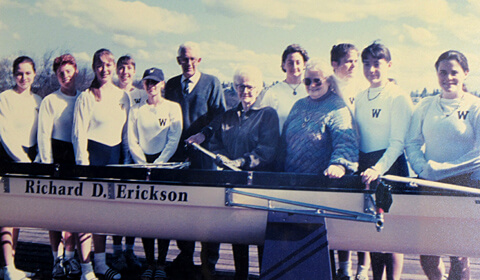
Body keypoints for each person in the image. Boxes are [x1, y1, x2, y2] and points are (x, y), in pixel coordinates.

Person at [406, 50, 480, 280]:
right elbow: (412, 142)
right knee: (428, 254)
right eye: (442, 72)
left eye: (454, 72)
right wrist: (423, 169)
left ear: (465, 73)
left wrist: (442, 169)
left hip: (462, 186)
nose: (448, 77)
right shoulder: (426, 106)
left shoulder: (475, 106)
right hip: (430, 183)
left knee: (459, 254)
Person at [210, 65, 280, 280]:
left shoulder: (268, 114)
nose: (245, 91)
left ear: (259, 88)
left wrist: (239, 162)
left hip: (258, 184)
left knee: (260, 237)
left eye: (249, 86)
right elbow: (215, 143)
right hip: (233, 183)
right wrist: (221, 157)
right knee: (237, 235)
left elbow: (267, 151)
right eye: (240, 86)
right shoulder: (228, 116)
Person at [164, 41, 226, 278]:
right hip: (179, 156)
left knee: (208, 209)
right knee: (182, 208)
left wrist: (203, 135)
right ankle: (185, 257)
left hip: (205, 157)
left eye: (192, 59)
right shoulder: (170, 85)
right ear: (178, 60)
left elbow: (220, 116)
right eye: (183, 58)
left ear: (199, 60)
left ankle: (208, 262)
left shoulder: (212, 83)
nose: (188, 63)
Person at [355, 42, 413, 280]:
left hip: (389, 169)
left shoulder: (398, 97)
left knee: (390, 236)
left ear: (389, 65)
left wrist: (377, 169)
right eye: (366, 64)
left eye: (377, 64)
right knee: (373, 234)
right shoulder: (360, 97)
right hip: (365, 168)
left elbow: (398, 142)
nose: (371, 70)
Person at [72, 48, 130, 280]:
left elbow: (126, 133)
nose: (104, 69)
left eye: (108, 64)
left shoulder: (123, 96)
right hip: (91, 160)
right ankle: (86, 268)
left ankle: (100, 263)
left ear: (114, 66)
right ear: (94, 67)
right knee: (86, 215)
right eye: (99, 65)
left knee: (103, 216)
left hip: (114, 161)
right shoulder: (86, 96)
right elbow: (79, 135)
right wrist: (83, 167)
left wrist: (125, 161)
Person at [127, 67, 182, 280]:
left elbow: (173, 138)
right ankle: (149, 262)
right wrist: (142, 163)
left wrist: (159, 163)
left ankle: (161, 263)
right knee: (146, 217)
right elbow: (132, 139)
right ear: (143, 85)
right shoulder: (136, 109)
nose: (152, 86)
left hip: (164, 167)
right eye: (148, 82)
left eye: (156, 82)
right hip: (142, 166)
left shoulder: (172, 108)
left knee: (163, 217)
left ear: (163, 84)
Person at [37, 54, 83, 279]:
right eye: (60, 73)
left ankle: (71, 258)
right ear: (56, 76)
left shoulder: (85, 98)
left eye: (69, 71)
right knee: (54, 213)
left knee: (73, 212)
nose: (65, 76)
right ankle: (57, 259)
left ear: (76, 71)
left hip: (76, 157)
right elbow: (44, 135)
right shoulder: (50, 101)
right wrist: (47, 166)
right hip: (56, 157)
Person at [330, 43, 370, 280]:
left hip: (364, 154)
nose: (354, 65)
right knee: (341, 210)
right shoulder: (327, 85)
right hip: (338, 156)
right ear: (334, 64)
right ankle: (343, 265)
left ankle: (362, 269)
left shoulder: (364, 85)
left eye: (356, 60)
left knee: (363, 210)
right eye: (348, 60)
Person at [0, 56, 41, 280]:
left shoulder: (39, 100)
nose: (23, 77)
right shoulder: (4, 98)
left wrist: (35, 161)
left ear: (34, 74)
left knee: (19, 215)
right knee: (8, 215)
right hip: (9, 158)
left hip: (30, 160)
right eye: (19, 73)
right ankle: (8, 267)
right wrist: (23, 160)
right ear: (13, 74)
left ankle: (10, 265)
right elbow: (5, 134)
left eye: (27, 73)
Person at [280, 58, 358, 176]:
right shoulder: (298, 105)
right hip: (290, 179)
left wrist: (339, 165)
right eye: (307, 81)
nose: (312, 85)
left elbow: (346, 143)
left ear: (329, 81)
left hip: (321, 183)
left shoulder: (338, 108)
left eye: (317, 81)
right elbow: (283, 143)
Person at [110, 55, 143, 273]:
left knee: (133, 203)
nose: (125, 72)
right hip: (115, 149)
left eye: (129, 68)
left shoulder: (141, 94)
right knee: (116, 203)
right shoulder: (110, 93)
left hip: (136, 151)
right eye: (121, 68)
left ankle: (130, 249)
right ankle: (116, 251)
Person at [260, 44, 309, 133]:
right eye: (290, 63)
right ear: (283, 65)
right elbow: (263, 124)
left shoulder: (310, 90)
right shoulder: (273, 92)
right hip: (281, 145)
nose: (294, 67)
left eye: (298, 62)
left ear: (304, 64)